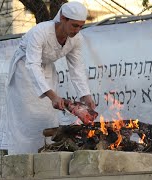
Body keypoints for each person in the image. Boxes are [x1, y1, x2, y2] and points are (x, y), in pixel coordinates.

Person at [5, 1, 95, 154]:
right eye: (74, 25)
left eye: (81, 26)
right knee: (27, 121)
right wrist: (52, 95)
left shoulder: (76, 39)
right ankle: (22, 160)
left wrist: (85, 95)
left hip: (47, 71)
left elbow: (76, 68)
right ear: (63, 18)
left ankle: (45, 158)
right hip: (24, 72)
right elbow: (32, 64)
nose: (77, 30)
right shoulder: (40, 32)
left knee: (47, 117)